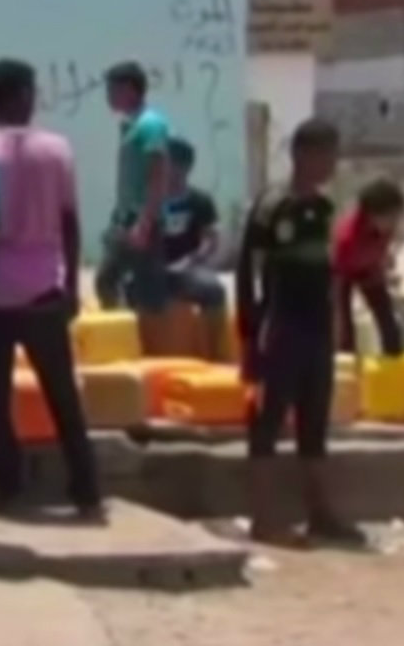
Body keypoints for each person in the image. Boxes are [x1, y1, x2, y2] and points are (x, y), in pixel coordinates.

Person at [0, 59, 102, 518]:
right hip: (44, 286)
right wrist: (70, 283)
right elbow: (69, 220)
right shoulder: (57, 149)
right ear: (28, 94)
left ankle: (7, 490)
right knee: (62, 394)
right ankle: (86, 490)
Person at [237, 117, 361, 545]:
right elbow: (248, 273)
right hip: (280, 328)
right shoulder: (273, 206)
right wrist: (251, 331)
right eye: (326, 152)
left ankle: (320, 514)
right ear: (304, 155)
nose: (332, 162)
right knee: (268, 421)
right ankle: (264, 519)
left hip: (316, 331)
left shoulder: (325, 210)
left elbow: (330, 272)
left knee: (314, 422)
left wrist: (337, 321)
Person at [95, 61, 171, 315]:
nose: (108, 96)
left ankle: (152, 342)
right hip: (126, 220)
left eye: (112, 89)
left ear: (130, 89)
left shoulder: (151, 125)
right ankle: (122, 331)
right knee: (110, 281)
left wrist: (145, 222)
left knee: (143, 289)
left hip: (142, 222)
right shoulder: (131, 125)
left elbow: (157, 176)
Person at [160, 137, 228, 360]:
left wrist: (192, 260)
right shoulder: (148, 200)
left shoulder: (200, 201)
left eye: (168, 163)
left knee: (215, 291)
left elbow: (212, 240)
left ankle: (213, 356)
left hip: (186, 270)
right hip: (153, 269)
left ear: (184, 167)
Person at [334, 179, 404, 357]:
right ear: (371, 216)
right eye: (390, 217)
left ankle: (393, 364)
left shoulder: (386, 228)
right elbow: (336, 277)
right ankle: (347, 365)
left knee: (388, 321)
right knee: (343, 327)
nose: (395, 223)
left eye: (397, 216)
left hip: (368, 268)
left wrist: (384, 266)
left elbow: (381, 249)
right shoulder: (346, 238)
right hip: (341, 271)